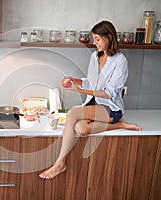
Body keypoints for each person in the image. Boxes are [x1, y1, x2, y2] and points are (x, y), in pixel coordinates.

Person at [39, 21, 141, 179]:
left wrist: (81, 91)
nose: (94, 43)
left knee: (73, 113)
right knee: (81, 128)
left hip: (110, 107)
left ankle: (60, 163)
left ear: (109, 37)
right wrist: (75, 81)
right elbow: (91, 81)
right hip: (94, 104)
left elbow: (109, 93)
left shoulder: (120, 61)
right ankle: (120, 124)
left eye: (97, 39)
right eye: (94, 39)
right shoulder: (95, 57)